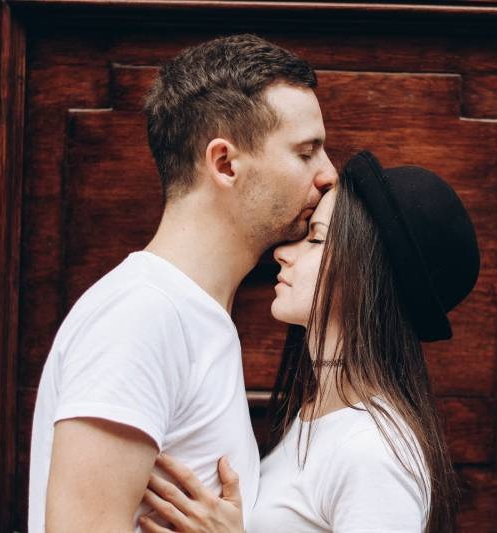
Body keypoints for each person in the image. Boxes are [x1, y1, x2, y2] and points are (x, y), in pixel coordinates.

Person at [27, 34, 338, 532]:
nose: (328, 175)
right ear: (225, 163)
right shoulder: (142, 316)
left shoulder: (189, 315)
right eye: (306, 153)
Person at [138, 150, 481, 533]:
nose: (283, 253)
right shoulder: (317, 412)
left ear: (366, 275)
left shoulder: (372, 451)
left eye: (314, 238)